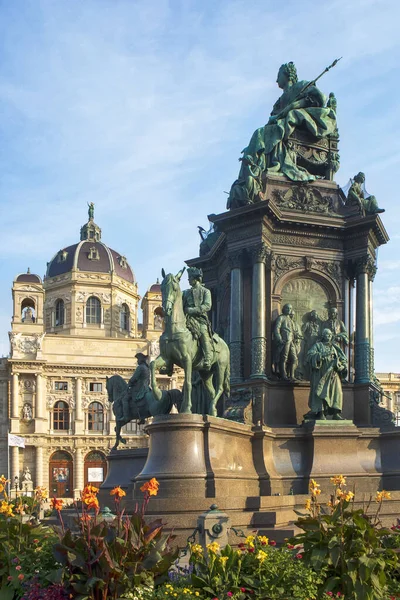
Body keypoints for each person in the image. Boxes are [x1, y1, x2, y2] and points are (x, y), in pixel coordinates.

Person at [237, 62, 337, 184]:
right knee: (260, 134)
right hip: (284, 126)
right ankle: (251, 173)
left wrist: (287, 110)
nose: (276, 80)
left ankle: (257, 171)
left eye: (278, 76)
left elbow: (319, 98)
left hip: (301, 125)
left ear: (287, 75)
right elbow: (273, 119)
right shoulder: (279, 101)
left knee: (267, 130)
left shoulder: (302, 86)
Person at [304, 328, 347, 420]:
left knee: (337, 392)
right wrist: (321, 355)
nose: (329, 336)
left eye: (330, 335)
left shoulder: (335, 347)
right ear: (323, 336)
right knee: (320, 392)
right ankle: (321, 412)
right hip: (320, 373)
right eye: (327, 334)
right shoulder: (317, 346)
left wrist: (341, 366)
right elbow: (309, 356)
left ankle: (336, 413)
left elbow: (343, 360)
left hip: (333, 373)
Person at [182, 267, 213, 370]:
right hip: (187, 320)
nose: (188, 280)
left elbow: (207, 306)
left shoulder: (205, 291)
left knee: (203, 333)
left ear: (196, 279)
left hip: (200, 319)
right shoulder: (186, 293)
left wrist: (192, 310)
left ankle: (208, 358)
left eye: (190, 277)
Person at [122, 353, 150, 424]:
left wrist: (130, 383)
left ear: (140, 360)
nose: (137, 361)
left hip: (139, 388)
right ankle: (142, 417)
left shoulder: (140, 367)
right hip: (147, 388)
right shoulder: (147, 368)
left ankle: (127, 416)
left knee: (125, 399)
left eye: (138, 359)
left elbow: (134, 378)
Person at [273, 303, 297, 380]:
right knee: (284, 357)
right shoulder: (281, 318)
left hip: (291, 341)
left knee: (294, 358)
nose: (289, 310)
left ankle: (292, 375)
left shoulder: (290, 320)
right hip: (284, 340)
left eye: (290, 308)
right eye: (287, 308)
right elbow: (277, 329)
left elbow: (293, 331)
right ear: (283, 309)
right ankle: (283, 375)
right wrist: (279, 339)